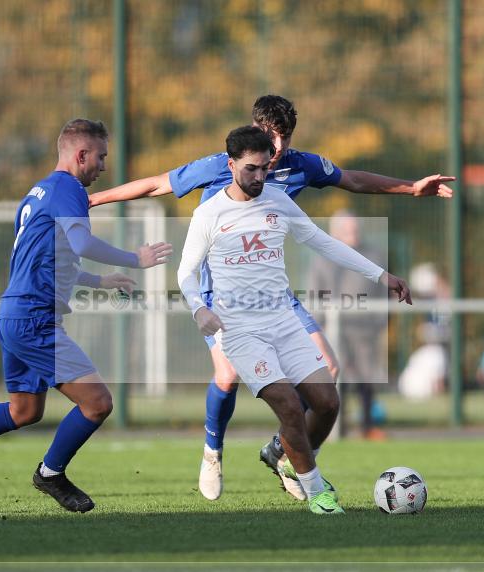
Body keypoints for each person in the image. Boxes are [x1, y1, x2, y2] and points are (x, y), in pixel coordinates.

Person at [91, 95, 452, 501]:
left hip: (273, 291)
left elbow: (351, 180)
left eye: (285, 139)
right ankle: (213, 451)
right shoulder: (221, 165)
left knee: (327, 370)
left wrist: (411, 189)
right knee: (226, 375)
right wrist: (93, 199)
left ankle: (287, 456)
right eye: (271, 139)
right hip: (221, 291)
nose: (278, 150)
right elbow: (158, 183)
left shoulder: (300, 164)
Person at [0, 119, 172, 512]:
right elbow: (80, 242)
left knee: (24, 410)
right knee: (97, 402)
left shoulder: (38, 192)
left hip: (15, 312)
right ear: (80, 155)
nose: (103, 166)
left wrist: (100, 281)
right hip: (34, 317)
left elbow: (50, 258)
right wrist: (136, 258)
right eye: (100, 157)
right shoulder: (68, 189)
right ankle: (50, 474)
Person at [177, 126, 413, 514]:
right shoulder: (209, 213)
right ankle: (318, 493)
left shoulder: (276, 200)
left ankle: (289, 460)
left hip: (284, 322)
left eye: (264, 168)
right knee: (288, 406)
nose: (259, 177)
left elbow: (324, 242)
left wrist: (382, 276)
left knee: (327, 403)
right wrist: (198, 308)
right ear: (231, 164)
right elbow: (185, 272)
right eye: (250, 169)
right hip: (240, 330)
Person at [307, 210, 388, 440]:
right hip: (333, 332)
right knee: (335, 379)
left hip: (364, 330)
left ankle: (368, 427)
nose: (353, 234)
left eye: (355, 229)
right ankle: (336, 427)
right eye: (347, 230)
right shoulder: (322, 260)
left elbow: (384, 293)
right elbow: (314, 297)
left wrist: (379, 322)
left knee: (367, 379)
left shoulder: (374, 256)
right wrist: (318, 331)